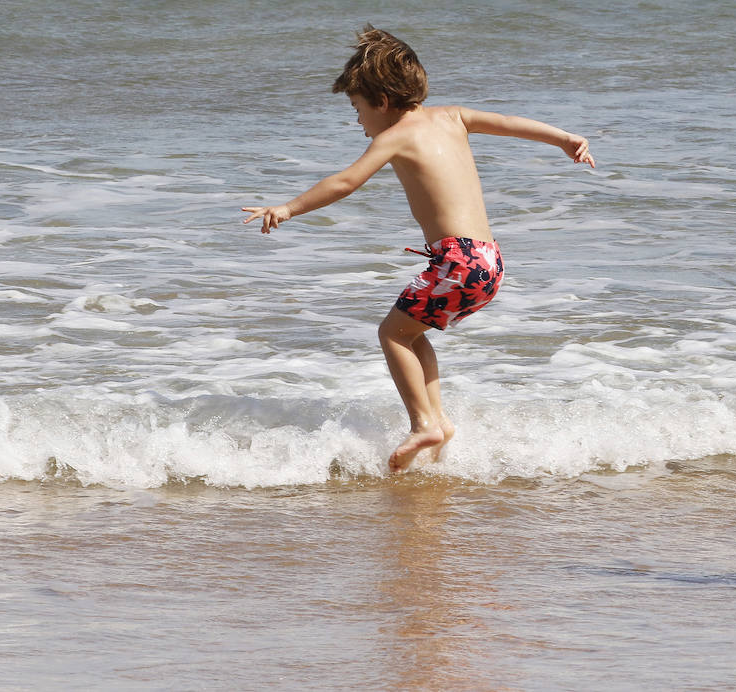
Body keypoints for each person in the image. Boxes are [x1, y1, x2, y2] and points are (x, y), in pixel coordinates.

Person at [242, 26, 596, 472]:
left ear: (382, 102)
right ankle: (439, 422)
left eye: (357, 108)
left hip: (455, 260)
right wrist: (564, 138)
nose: (357, 121)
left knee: (391, 334)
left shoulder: (394, 136)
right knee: (413, 331)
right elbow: (510, 124)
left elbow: (346, 181)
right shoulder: (454, 117)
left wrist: (289, 208)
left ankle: (424, 423)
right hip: (489, 261)